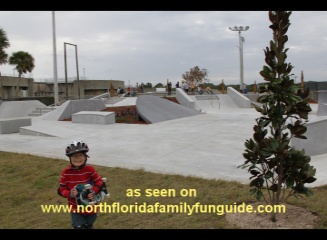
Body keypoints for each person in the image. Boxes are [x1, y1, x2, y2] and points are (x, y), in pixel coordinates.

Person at [57, 140, 104, 229]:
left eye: (80, 155)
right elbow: (61, 190)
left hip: (91, 206)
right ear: (69, 158)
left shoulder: (90, 169)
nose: (77, 158)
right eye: (74, 156)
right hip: (75, 208)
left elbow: (99, 182)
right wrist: (70, 193)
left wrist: (94, 192)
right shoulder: (66, 172)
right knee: (79, 226)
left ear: (85, 157)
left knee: (88, 226)